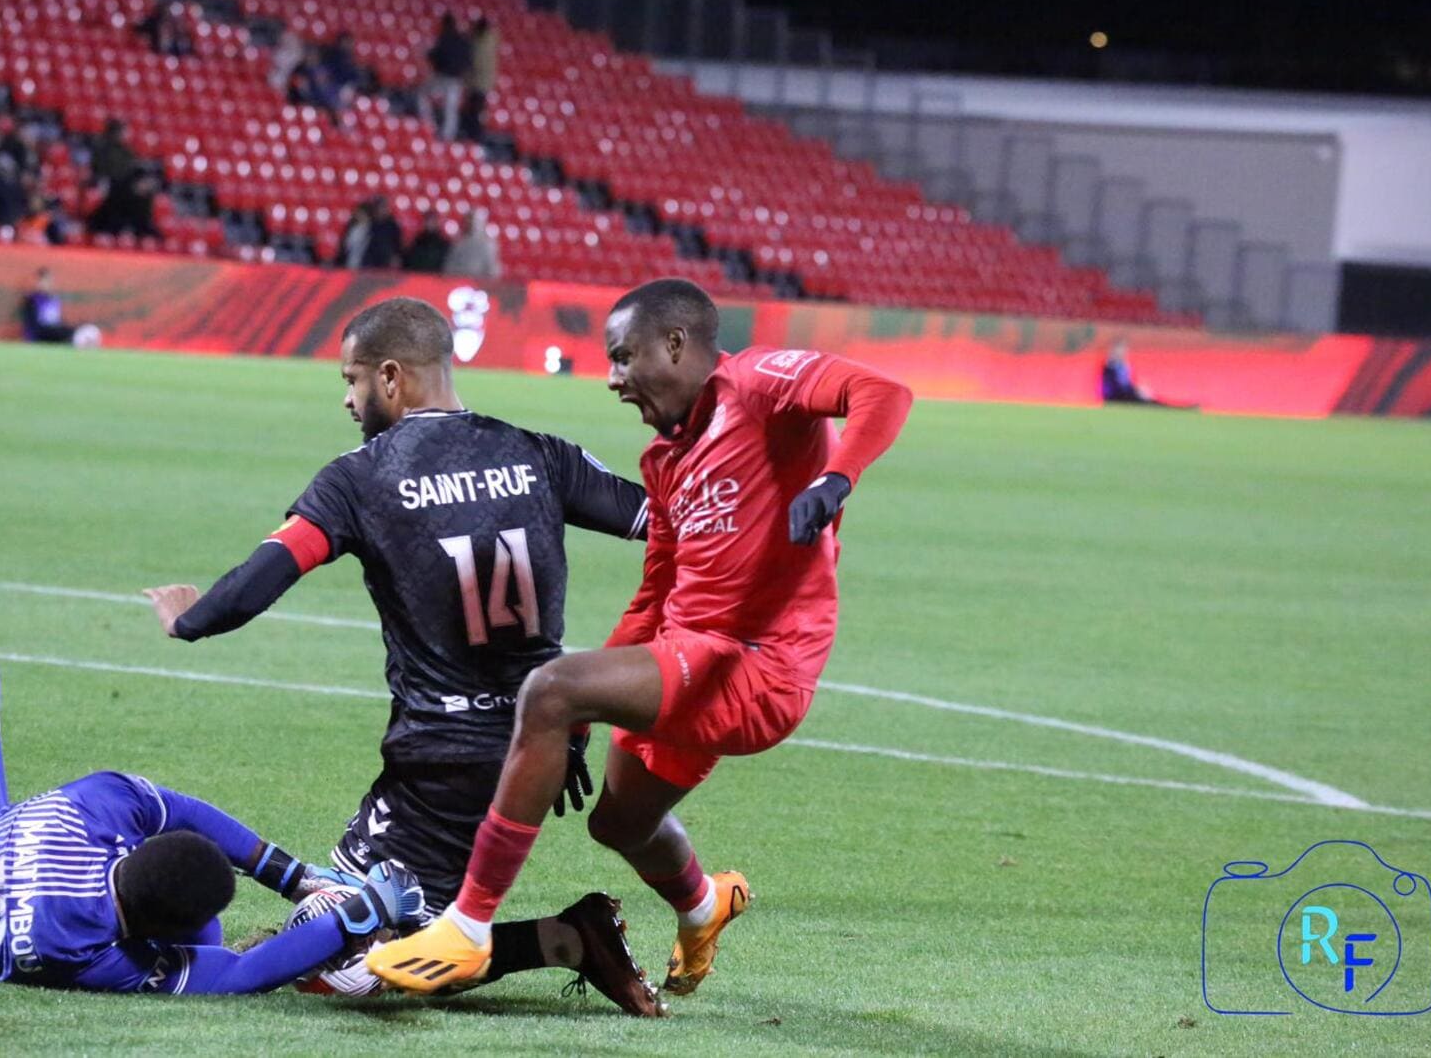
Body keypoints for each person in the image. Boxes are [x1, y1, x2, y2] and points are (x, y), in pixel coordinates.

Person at [367, 278, 914, 997]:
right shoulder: (666, 463)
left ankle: (467, 928)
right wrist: (585, 716)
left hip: (755, 665)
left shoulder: (758, 385)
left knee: (550, 687)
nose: (614, 378)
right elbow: (655, 593)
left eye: (625, 357)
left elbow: (883, 392)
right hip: (688, 658)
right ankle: (704, 904)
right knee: (621, 821)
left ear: (677, 344)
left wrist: (836, 479)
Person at [142, 297, 663, 1015]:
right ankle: (539, 931)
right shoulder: (540, 453)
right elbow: (662, 522)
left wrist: (188, 618)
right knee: (375, 923)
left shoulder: (360, 479)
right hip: (537, 746)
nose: (348, 401)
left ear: (391, 377)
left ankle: (569, 938)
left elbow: (265, 574)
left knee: (341, 956)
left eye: (352, 381)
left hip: (441, 760)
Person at [0, 619, 424, 993]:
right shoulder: (97, 956)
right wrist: (347, 916)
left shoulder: (88, 809)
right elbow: (236, 974)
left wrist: (330, 898)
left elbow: (179, 811)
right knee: (205, 938)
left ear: (132, 847)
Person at [20, 268, 100, 346]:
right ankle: (78, 340)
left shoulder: (54, 299)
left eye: (50, 281)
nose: (49, 284)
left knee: (67, 329)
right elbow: (33, 325)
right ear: (39, 282)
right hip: (41, 333)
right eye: (46, 281)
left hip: (55, 331)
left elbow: (57, 320)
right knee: (59, 331)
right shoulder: (32, 300)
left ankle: (82, 339)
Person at [423, 12, 471, 141]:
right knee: (451, 109)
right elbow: (469, 62)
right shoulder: (463, 40)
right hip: (456, 80)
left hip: (442, 78)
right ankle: (447, 136)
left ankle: (427, 127)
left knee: (422, 96)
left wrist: (427, 55)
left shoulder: (444, 38)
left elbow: (435, 56)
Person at [459, 16, 498, 143]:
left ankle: (474, 136)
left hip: (478, 83)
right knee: (474, 110)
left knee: (475, 111)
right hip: (481, 83)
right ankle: (473, 135)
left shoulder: (479, 43)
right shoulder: (489, 40)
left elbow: (476, 64)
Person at [444, 207, 500, 279]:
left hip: (480, 283)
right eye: (468, 221)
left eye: (472, 221)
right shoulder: (459, 243)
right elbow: (450, 266)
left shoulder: (488, 244)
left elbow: (492, 269)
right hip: (460, 283)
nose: (470, 223)